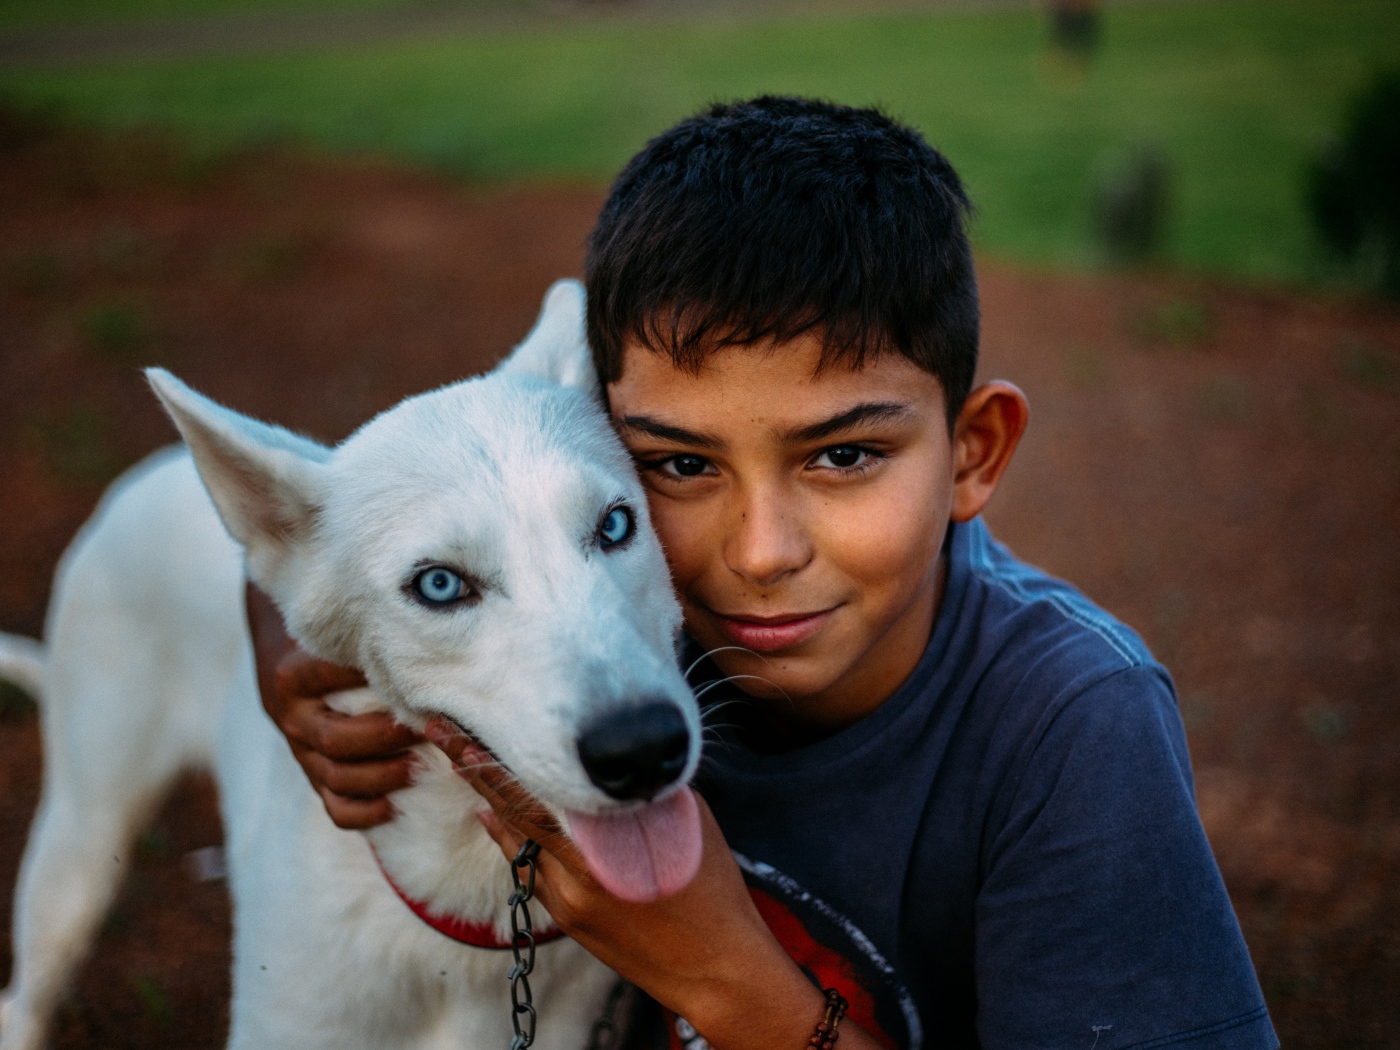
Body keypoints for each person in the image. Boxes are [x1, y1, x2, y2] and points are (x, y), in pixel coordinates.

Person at [245, 97, 1277, 1050]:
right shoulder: (626, 617)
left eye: (842, 455)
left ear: (971, 453)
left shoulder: (1067, 723)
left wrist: (726, 981)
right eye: (681, 467)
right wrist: (292, 650)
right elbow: (424, 506)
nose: (759, 552)